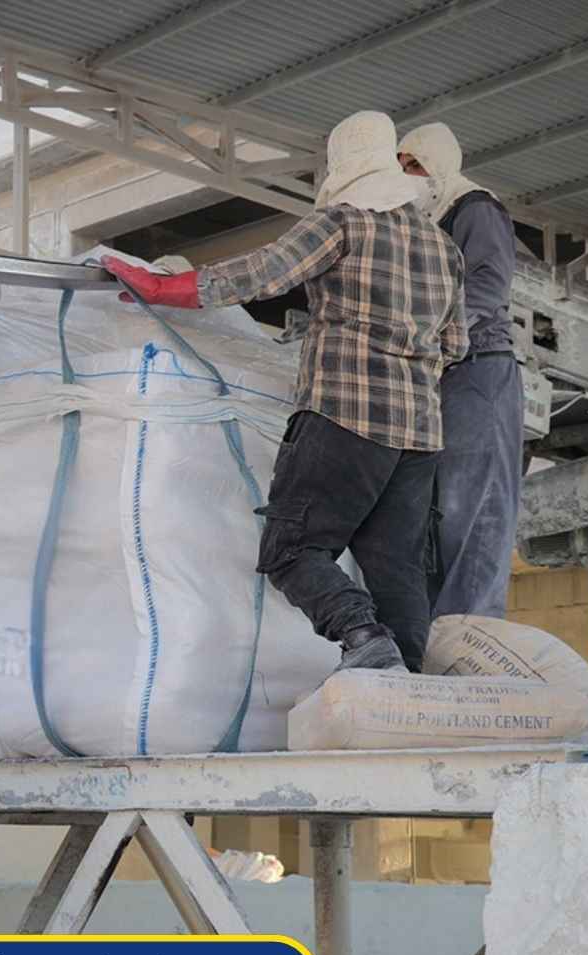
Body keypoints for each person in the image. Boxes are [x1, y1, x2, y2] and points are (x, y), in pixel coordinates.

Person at [103, 110, 467, 673]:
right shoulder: (445, 248)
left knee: (292, 550)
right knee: (397, 567)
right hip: (419, 433)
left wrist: (163, 286)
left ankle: (362, 636)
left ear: (342, 164)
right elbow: (456, 344)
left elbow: (263, 273)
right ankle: (407, 687)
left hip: (343, 415)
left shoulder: (343, 221)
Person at [398, 122, 521, 620]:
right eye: (401, 167)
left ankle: (473, 633)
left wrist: (428, 329)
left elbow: (489, 285)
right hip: (438, 377)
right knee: (436, 513)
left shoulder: (474, 208)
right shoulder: (418, 222)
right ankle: (436, 633)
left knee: (477, 508)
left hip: (478, 370)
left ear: (440, 163)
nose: (409, 175)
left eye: (416, 165)